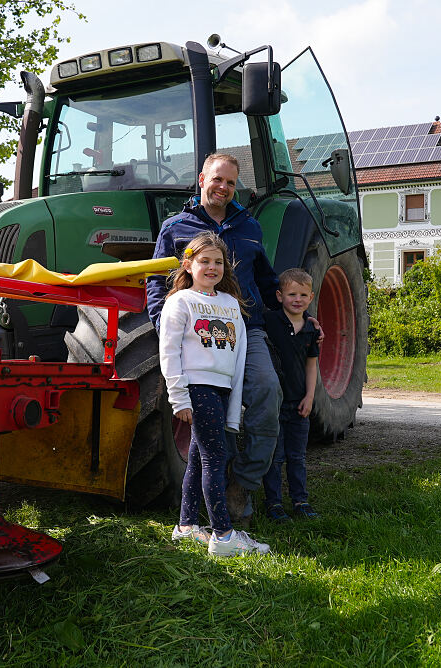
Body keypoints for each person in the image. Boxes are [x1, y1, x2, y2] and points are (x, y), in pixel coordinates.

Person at [147, 152, 287, 523]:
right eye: (217, 179)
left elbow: (268, 281)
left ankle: (242, 483)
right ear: (201, 179)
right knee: (214, 408)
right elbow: (156, 283)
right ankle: (210, 495)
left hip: (246, 328)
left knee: (267, 392)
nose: (223, 187)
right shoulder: (175, 227)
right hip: (198, 334)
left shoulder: (250, 227)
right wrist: (167, 331)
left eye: (230, 182)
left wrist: (301, 317)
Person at [160, 233, 269, 557]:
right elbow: (169, 351)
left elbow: (238, 355)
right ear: (188, 264)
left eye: (218, 262)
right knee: (215, 459)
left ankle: (186, 526)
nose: (211, 267)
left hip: (221, 390)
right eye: (204, 261)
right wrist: (179, 397)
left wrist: (234, 405)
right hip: (197, 388)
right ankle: (223, 535)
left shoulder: (230, 304)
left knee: (198, 456)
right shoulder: (180, 301)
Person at [261, 268, 321, 522]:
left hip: (299, 404)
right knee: (275, 457)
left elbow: (311, 364)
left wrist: (310, 397)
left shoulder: (311, 330)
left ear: (311, 297)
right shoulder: (271, 321)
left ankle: (300, 501)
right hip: (275, 403)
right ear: (279, 295)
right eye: (291, 294)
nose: (297, 299)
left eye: (303, 295)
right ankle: (274, 503)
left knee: (297, 456)